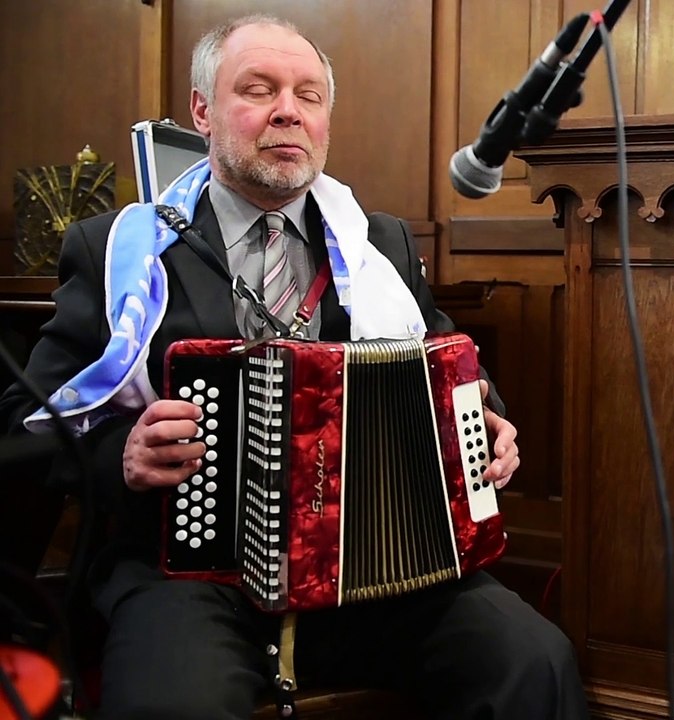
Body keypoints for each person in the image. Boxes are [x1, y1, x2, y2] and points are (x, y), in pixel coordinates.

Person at [0, 15, 588, 720]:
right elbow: (25, 426)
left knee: (533, 660)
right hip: (187, 575)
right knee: (170, 705)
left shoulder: (382, 248)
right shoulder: (117, 250)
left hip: (376, 573)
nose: (288, 110)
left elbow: (453, 368)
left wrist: (486, 423)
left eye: (308, 95)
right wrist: (120, 454)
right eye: (258, 89)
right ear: (202, 111)